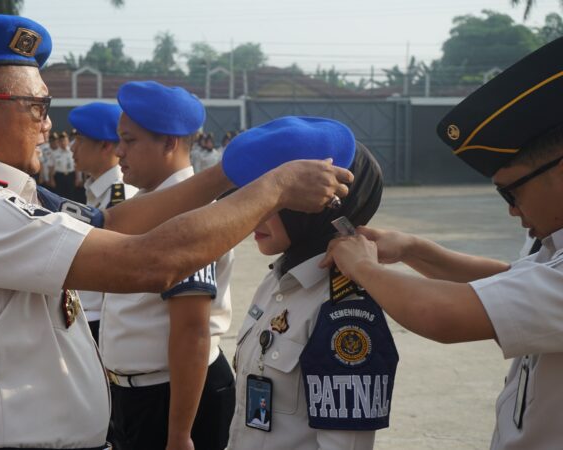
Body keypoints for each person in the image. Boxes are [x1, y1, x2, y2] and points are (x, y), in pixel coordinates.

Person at [0, 15, 351, 450]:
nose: (48, 125)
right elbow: (149, 262)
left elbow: (112, 224)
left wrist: (227, 174)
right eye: (38, 107)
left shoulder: (3, 195)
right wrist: (275, 188)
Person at [322, 37, 563, 450]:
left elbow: (441, 315)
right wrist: (414, 249)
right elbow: (511, 283)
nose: (511, 211)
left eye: (512, 192)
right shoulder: (552, 245)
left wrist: (364, 268)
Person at [224, 117, 394, 450]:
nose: (255, 211)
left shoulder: (345, 310)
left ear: (320, 207)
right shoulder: (278, 281)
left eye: (278, 199)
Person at [101, 81, 234, 450]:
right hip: (141, 395)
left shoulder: (188, 216)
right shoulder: (147, 204)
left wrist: (179, 435)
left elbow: (192, 332)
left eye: (130, 140)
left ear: (170, 143)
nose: (118, 151)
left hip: (174, 399)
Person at [68, 102, 139, 340]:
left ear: (105, 145)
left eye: (79, 140)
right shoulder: (98, 191)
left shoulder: (120, 196)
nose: (71, 147)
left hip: (103, 322)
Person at [53, 130, 76, 199]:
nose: (63, 143)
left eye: (65, 140)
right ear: (59, 142)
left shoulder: (72, 151)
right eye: (61, 141)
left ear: (68, 141)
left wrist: (78, 178)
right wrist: (51, 179)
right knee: (59, 196)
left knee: (71, 195)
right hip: (59, 176)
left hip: (70, 176)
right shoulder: (55, 153)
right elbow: (51, 167)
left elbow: (76, 165)